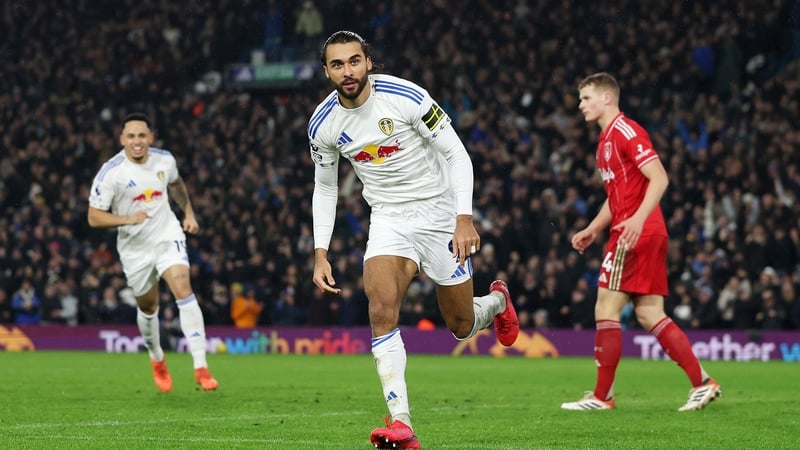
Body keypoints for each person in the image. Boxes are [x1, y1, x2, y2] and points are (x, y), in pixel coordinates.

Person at [307, 30, 519, 449]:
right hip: (388, 219)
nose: (347, 71)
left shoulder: (406, 97)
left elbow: (457, 154)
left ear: (368, 61)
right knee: (381, 307)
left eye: (353, 61)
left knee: (460, 325)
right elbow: (325, 188)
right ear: (326, 71)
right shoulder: (323, 123)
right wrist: (320, 253)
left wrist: (463, 218)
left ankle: (496, 302)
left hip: (440, 213)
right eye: (337, 64)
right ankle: (401, 422)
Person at [562, 72, 721, 412]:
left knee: (606, 307)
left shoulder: (626, 131)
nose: (580, 105)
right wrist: (593, 227)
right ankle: (702, 382)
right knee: (649, 313)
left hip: (635, 232)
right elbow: (616, 196)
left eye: (586, 98)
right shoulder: (605, 142)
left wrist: (635, 219)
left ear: (607, 97)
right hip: (638, 229)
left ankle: (602, 397)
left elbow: (659, 177)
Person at [87, 113, 218, 393]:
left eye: (142, 136)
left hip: (166, 235)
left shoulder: (165, 160)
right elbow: (94, 217)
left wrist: (189, 212)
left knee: (183, 287)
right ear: (122, 140)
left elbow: (177, 185)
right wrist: (127, 219)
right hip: (134, 248)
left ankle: (201, 366)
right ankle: (157, 358)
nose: (137, 141)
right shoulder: (111, 172)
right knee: (148, 307)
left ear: (150, 138)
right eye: (131, 136)